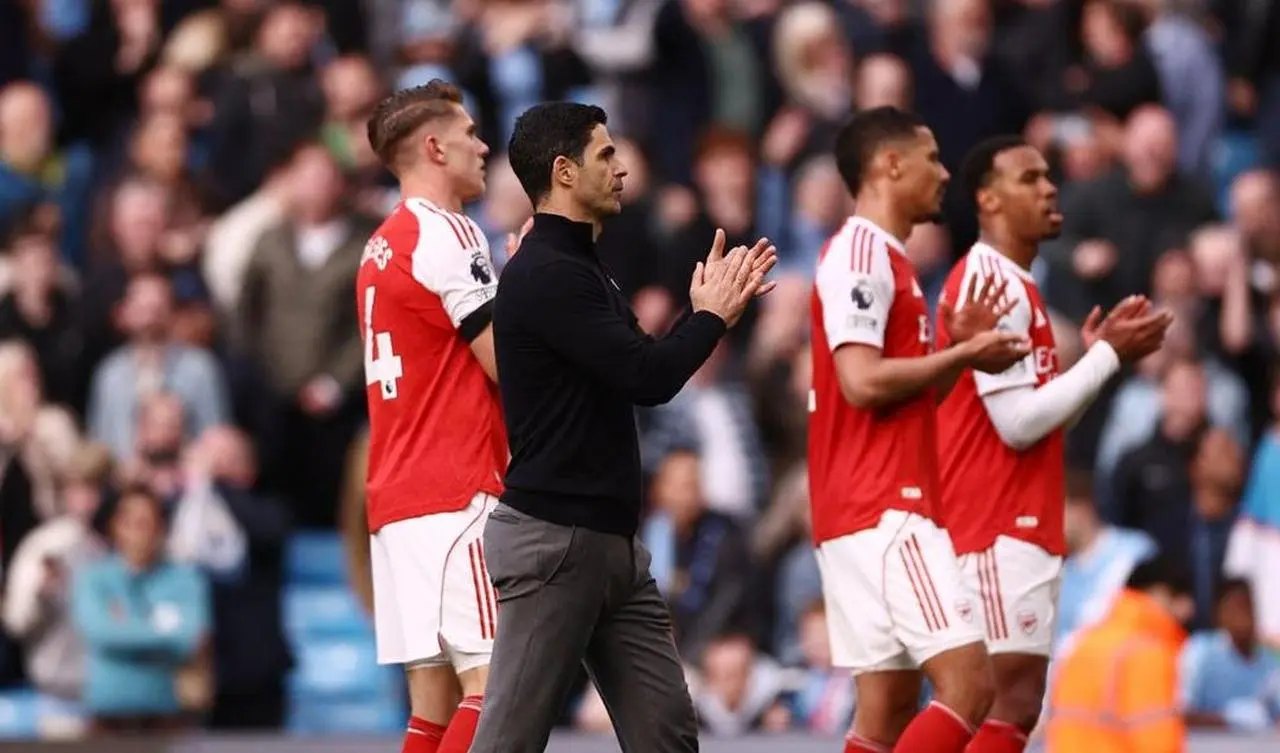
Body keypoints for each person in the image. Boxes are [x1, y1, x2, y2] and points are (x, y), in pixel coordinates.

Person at [472, 101, 776, 753]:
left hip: (610, 544)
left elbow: (642, 366)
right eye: (605, 154)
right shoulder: (551, 272)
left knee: (666, 734)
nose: (622, 167)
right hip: (555, 542)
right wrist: (711, 316)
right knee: (507, 742)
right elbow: (649, 376)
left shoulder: (582, 267)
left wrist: (701, 314)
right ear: (563, 171)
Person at [934, 136, 1173, 753]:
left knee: (1012, 702)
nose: (1049, 188)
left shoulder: (1019, 284)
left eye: (1049, 175)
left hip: (1016, 516)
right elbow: (1018, 426)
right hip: (992, 518)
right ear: (987, 199)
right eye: (1029, 178)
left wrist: (1093, 366)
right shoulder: (994, 285)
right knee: (991, 696)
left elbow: (1036, 420)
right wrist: (1107, 356)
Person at [808, 105, 1031, 753]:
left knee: (888, 707)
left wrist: (955, 349)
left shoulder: (891, 259)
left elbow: (904, 390)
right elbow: (862, 381)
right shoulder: (861, 251)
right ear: (890, 164)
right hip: (886, 506)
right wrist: (965, 356)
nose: (943, 173)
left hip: (858, 507)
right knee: (970, 684)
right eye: (931, 158)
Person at [357, 79, 506, 753]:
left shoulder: (381, 243)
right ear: (433, 146)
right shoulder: (450, 233)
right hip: (455, 486)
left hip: (397, 493)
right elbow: (508, 363)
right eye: (470, 132)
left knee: (433, 708)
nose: (483, 146)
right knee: (495, 683)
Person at [1046, 555, 1194, 753]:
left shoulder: (1082, 644)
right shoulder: (1147, 654)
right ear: (1160, 592)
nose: (1188, 611)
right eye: (1181, 599)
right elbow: (1158, 743)